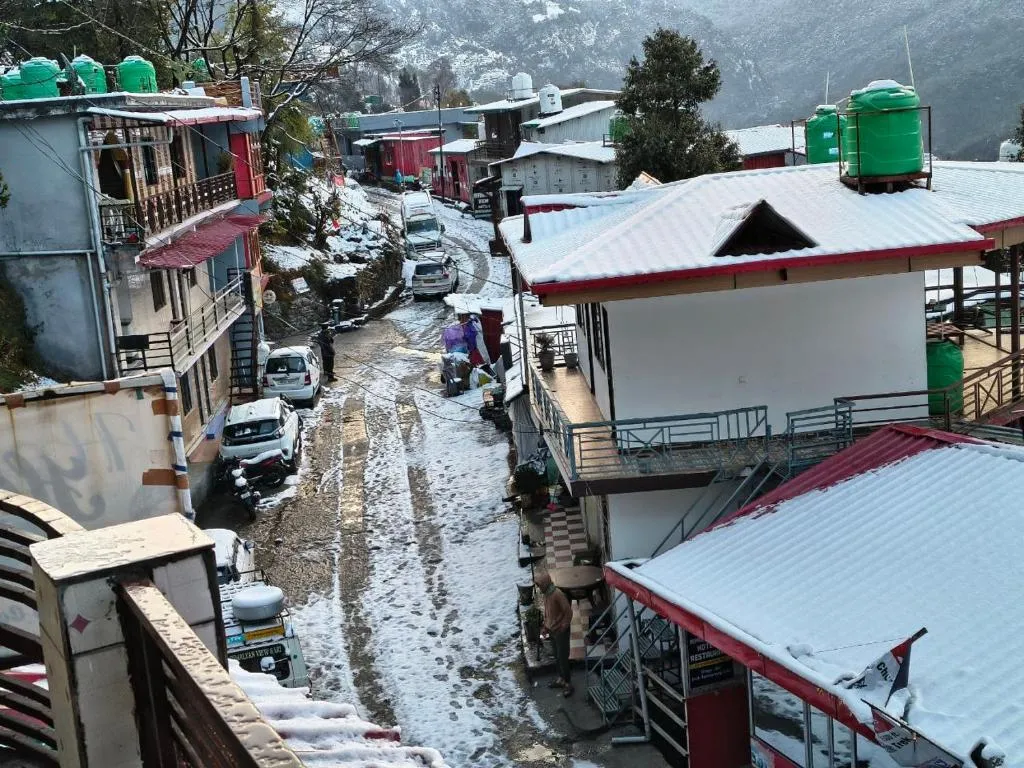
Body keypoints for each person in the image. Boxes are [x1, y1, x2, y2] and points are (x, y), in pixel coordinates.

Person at [535, 571, 574, 696]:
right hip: (553, 630)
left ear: (545, 583)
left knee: (563, 658)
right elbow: (548, 614)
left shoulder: (557, 594)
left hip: (560, 631)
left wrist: (563, 626)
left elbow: (568, 612)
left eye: (540, 585)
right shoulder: (547, 595)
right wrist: (545, 627)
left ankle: (568, 683)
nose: (539, 588)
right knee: (557, 656)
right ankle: (561, 679)